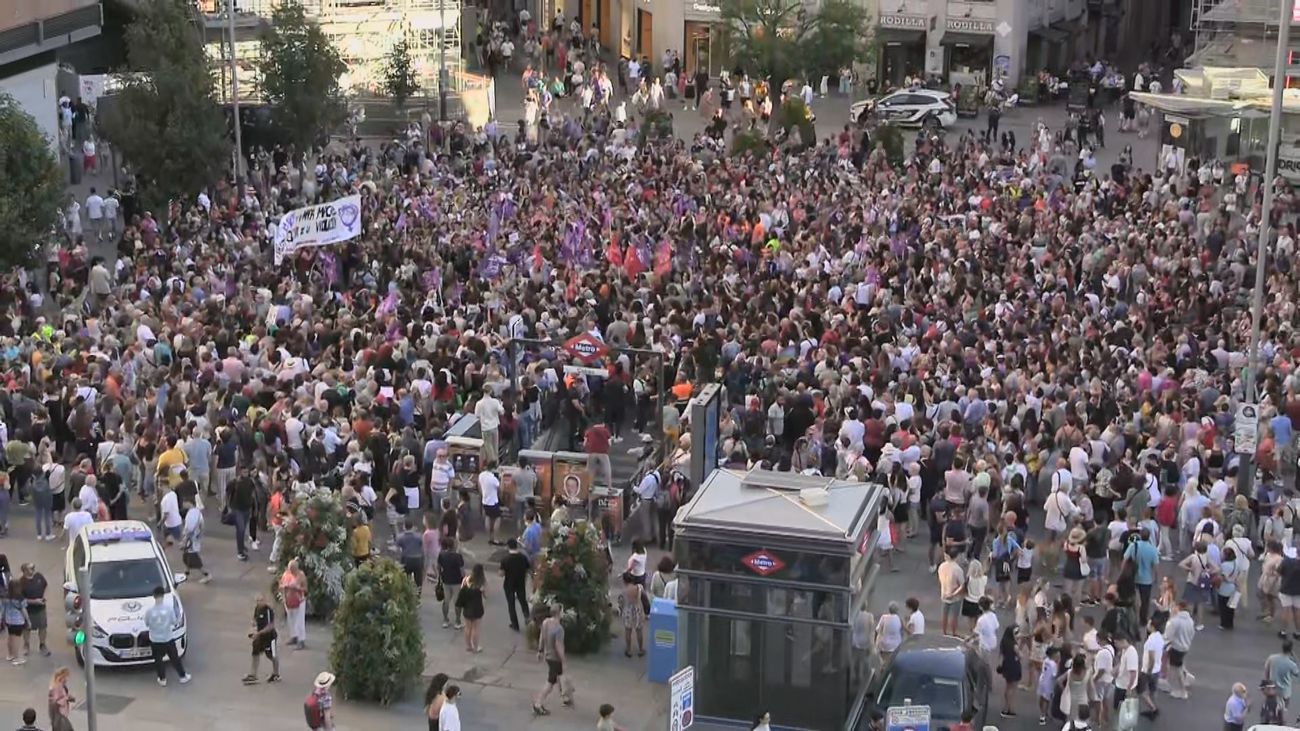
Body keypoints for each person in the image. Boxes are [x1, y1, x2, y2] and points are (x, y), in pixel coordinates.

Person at [144, 586, 189, 686]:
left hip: (155, 639)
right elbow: (174, 621)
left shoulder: (149, 611)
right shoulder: (169, 609)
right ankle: (183, 676)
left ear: (154, 596)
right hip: (167, 638)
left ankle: (162, 679)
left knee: (158, 660)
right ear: (163, 595)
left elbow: (146, 623)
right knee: (174, 658)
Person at [534, 603, 574, 715]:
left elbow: (542, 636)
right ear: (559, 613)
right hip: (555, 658)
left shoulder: (546, 622)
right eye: (562, 611)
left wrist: (540, 650)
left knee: (561, 675)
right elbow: (558, 646)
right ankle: (538, 703)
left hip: (548, 655)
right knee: (550, 682)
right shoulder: (559, 628)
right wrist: (564, 660)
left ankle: (566, 697)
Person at [241, 594, 281, 684]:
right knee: (255, 652)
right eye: (257, 600)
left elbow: (270, 626)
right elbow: (255, 619)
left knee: (271, 655)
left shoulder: (268, 611)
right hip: (260, 636)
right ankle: (253, 674)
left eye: (261, 600)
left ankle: (276, 674)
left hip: (270, 637)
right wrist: (253, 627)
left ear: (265, 601)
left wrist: (258, 633)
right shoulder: (257, 609)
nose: (259, 602)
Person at [1164, 602, 1195, 699]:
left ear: (1178, 608)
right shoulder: (1190, 620)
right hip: (1185, 647)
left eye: (1173, 607)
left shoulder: (1174, 621)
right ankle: (1187, 680)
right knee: (1179, 666)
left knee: (1175, 670)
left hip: (1176, 648)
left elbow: (1167, 636)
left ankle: (1181, 690)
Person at [500, 538, 531, 631]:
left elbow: (501, 573)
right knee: (522, 600)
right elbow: (528, 569)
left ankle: (515, 624)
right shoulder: (523, 557)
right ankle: (527, 618)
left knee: (511, 604)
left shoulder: (505, 559)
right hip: (520, 582)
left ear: (508, 546)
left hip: (509, 583)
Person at [19, 563, 50, 657]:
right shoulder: (21, 582)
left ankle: (42, 645)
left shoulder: (39, 576)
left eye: (33, 567)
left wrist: (45, 597)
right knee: (26, 628)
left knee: (43, 627)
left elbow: (46, 586)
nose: (33, 569)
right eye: (31, 568)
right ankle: (26, 645)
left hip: (41, 609)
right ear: (24, 571)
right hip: (28, 610)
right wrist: (34, 601)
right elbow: (21, 600)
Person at [180, 499, 211, 583]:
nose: (182, 504)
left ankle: (206, 574)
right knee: (186, 556)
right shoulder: (195, 512)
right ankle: (186, 572)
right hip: (193, 539)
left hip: (191, 540)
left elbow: (190, 529)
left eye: (184, 502)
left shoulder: (193, 513)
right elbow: (201, 526)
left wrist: (185, 540)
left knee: (193, 558)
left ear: (188, 502)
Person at [437, 536, 466, 629]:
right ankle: (457, 621)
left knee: (446, 601)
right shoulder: (458, 556)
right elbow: (462, 571)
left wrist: (441, 575)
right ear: (454, 545)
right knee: (457, 602)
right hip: (457, 581)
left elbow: (438, 567)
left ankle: (445, 620)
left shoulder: (441, 555)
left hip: (446, 580)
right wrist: (464, 579)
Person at [279, 559, 308, 649]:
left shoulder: (301, 575)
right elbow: (282, 586)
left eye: (293, 569)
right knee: (291, 619)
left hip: (299, 600)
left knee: (300, 621)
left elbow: (305, 589)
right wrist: (283, 598)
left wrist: (298, 588)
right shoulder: (286, 575)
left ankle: (301, 640)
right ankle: (294, 636)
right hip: (289, 600)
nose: (291, 571)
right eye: (290, 569)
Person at [457, 563, 486, 653]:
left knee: (467, 627)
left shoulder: (466, 579)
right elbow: (486, 595)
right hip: (477, 607)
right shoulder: (482, 582)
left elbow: (462, 590)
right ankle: (476, 647)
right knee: (475, 628)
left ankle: (468, 646)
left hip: (467, 606)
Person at [618, 571, 647, 657]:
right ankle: (641, 649)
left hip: (627, 611)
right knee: (639, 631)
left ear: (624, 581)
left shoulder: (623, 591)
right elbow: (644, 597)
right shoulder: (639, 587)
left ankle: (628, 650)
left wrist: (621, 610)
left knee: (628, 631)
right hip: (638, 610)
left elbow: (621, 602)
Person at [1, 581, 29, 665]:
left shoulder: (5, 597)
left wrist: (2, 619)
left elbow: (3, 610)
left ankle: (10, 655)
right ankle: (16, 658)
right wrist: (28, 620)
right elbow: (24, 610)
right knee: (17, 640)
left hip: (8, 620)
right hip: (18, 621)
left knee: (10, 638)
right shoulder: (20, 598)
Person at [997, 625, 1022, 718]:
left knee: (1008, 687)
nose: (1018, 635)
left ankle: (1006, 707)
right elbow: (1020, 655)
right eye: (1016, 633)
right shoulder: (1014, 645)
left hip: (1006, 665)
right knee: (1012, 688)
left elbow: (1001, 655)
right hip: (1014, 666)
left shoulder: (1004, 642)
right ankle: (1010, 709)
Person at [396, 517, 425, 594]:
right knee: (418, 578)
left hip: (406, 559)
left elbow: (398, 548)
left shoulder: (400, 537)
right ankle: (418, 594)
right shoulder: (419, 536)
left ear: (404, 526)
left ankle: (407, 593)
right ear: (412, 527)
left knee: (406, 577)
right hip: (418, 559)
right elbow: (422, 546)